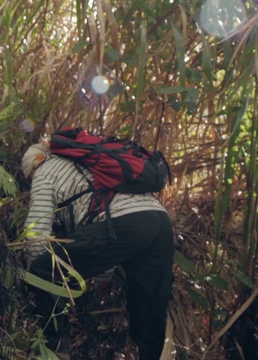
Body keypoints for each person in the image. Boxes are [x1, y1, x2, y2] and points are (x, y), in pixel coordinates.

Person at [21, 139, 174, 360]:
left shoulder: (44, 171)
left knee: (44, 269)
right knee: (148, 307)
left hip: (127, 222)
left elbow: (36, 233)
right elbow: (104, 244)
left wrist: (35, 272)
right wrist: (102, 280)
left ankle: (56, 350)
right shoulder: (88, 164)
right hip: (160, 221)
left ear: (32, 167)